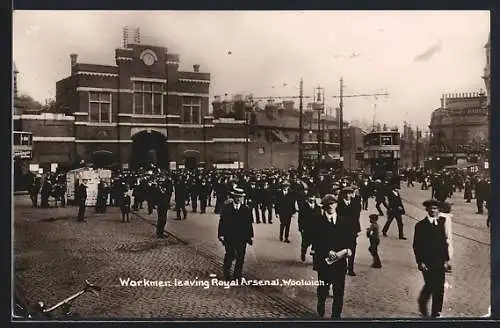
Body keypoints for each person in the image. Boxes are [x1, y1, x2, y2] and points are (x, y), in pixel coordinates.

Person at [311, 194, 352, 319]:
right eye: (328, 205)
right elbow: (315, 242)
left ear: (336, 205)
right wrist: (327, 251)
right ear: (324, 207)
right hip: (324, 262)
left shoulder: (343, 221)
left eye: (333, 203)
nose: (331, 206)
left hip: (340, 263)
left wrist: (349, 250)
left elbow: (349, 239)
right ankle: (321, 309)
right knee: (323, 289)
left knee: (339, 291)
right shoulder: (317, 222)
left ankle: (336, 316)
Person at [413, 199, 451, 318]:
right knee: (430, 284)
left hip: (439, 260)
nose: (433, 211)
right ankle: (422, 301)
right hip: (427, 261)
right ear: (427, 210)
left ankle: (436, 312)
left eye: (435, 209)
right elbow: (416, 245)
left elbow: (444, 243)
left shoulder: (441, 223)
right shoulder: (420, 225)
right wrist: (420, 262)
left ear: (439, 210)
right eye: (431, 208)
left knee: (439, 287)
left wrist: (446, 260)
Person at [217, 187, 254, 282]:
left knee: (241, 257)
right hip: (229, 236)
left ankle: (237, 275)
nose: (238, 199)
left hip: (242, 237)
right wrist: (221, 234)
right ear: (233, 197)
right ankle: (227, 272)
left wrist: (250, 236)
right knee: (230, 254)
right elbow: (222, 222)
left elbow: (249, 224)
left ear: (242, 198)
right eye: (237, 197)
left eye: (240, 197)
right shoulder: (227, 208)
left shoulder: (246, 209)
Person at [298, 191, 321, 262]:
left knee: (315, 244)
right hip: (306, 228)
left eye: (313, 197)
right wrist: (301, 228)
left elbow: (320, 218)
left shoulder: (317, 207)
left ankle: (314, 259)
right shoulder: (304, 207)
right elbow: (300, 218)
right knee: (305, 243)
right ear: (308, 198)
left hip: (315, 229)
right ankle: (303, 253)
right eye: (310, 197)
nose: (312, 198)